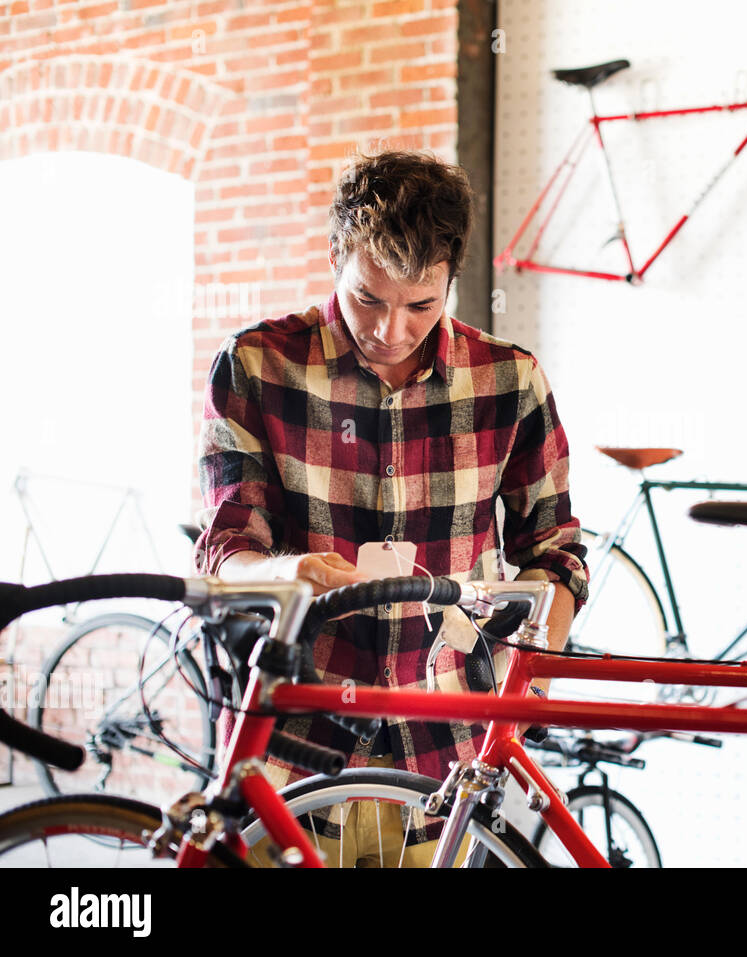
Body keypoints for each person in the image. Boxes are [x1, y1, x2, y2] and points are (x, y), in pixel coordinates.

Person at [195, 149, 587, 865]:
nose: (391, 330)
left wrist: (535, 671)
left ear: (452, 280)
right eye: (368, 298)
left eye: (421, 304)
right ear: (335, 256)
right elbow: (226, 550)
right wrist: (288, 569)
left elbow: (554, 551)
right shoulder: (255, 364)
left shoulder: (510, 381)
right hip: (290, 741)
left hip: (445, 757)